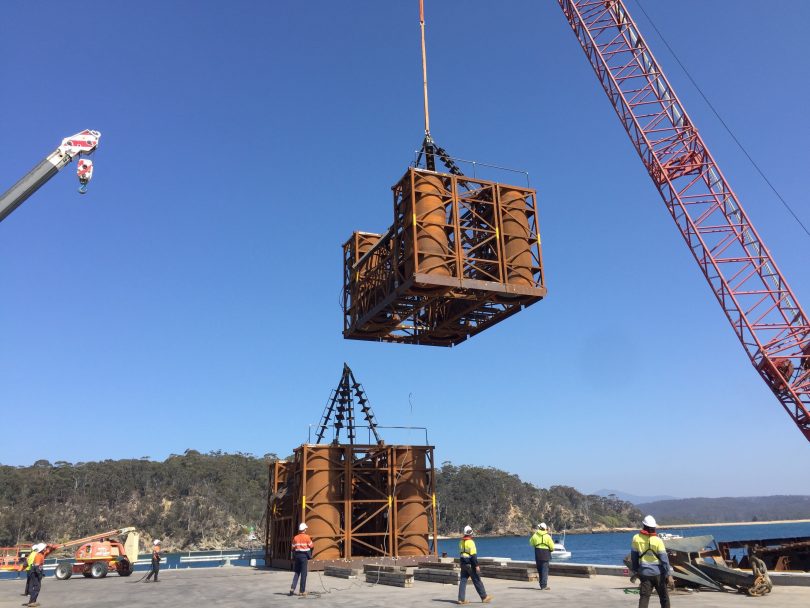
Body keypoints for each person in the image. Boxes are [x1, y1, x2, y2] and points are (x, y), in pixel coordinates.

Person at [630, 515, 674, 608]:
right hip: (659, 574)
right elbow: (664, 560)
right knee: (664, 598)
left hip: (644, 574)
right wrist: (669, 575)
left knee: (644, 598)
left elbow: (634, 558)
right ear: (653, 527)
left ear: (643, 525)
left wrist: (636, 571)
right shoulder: (658, 540)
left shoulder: (636, 538)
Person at [457, 525, 493, 605]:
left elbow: (461, 553)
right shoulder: (471, 542)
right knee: (477, 580)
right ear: (470, 533)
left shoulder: (461, 542)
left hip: (463, 563)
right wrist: (476, 566)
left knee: (463, 581)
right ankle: (484, 597)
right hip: (470, 564)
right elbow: (473, 556)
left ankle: (461, 599)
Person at [529, 522, 555, 590]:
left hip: (538, 553)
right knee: (545, 570)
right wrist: (550, 549)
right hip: (545, 554)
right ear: (545, 529)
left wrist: (536, 544)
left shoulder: (535, 535)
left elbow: (531, 543)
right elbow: (552, 547)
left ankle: (541, 585)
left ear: (539, 528)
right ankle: (544, 586)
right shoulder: (548, 536)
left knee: (540, 570)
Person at [290, 522, 313, 597]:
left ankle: (292, 588)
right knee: (303, 574)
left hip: (297, 556)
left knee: (297, 573)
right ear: (304, 529)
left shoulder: (295, 537)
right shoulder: (307, 537)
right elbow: (311, 546)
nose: (306, 529)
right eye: (306, 528)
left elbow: (292, 547)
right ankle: (302, 591)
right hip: (304, 557)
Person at [25, 543, 47, 608]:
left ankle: (33, 601)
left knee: (37, 587)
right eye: (45, 548)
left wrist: (41, 573)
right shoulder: (39, 555)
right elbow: (37, 566)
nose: (46, 549)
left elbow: (39, 566)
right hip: (34, 573)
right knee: (36, 587)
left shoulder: (40, 555)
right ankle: (31, 602)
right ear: (42, 549)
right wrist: (39, 574)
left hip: (35, 572)